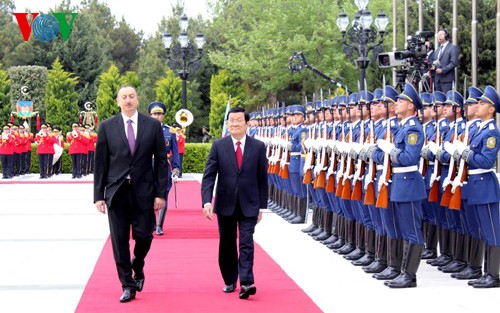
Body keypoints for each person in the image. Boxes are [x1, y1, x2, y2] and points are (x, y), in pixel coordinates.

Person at [93, 85, 169, 303]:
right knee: (119, 241)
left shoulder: (152, 125)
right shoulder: (107, 127)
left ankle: (138, 263)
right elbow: (101, 163)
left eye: (131, 96)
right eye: (124, 97)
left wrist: (160, 193)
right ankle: (127, 284)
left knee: (145, 235)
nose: (128, 100)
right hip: (116, 193)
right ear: (118, 101)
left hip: (144, 192)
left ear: (137, 99)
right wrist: (99, 195)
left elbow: (162, 161)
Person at [201, 106, 268, 299]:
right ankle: (230, 279)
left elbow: (262, 178)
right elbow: (209, 176)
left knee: (246, 242)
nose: (235, 123)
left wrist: (262, 207)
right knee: (227, 243)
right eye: (231, 120)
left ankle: (246, 282)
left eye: (239, 120)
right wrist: (206, 201)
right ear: (227, 123)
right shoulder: (218, 146)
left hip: (250, 203)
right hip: (225, 203)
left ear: (247, 123)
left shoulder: (258, 147)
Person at [147, 102, 180, 235]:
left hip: (163, 167)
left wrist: (176, 168)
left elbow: (175, 152)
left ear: (163, 116)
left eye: (159, 114)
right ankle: (152, 224)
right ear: (150, 116)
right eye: (154, 114)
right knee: (148, 196)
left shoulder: (170, 132)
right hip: (148, 166)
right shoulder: (144, 130)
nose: (157, 116)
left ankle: (160, 225)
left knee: (163, 194)